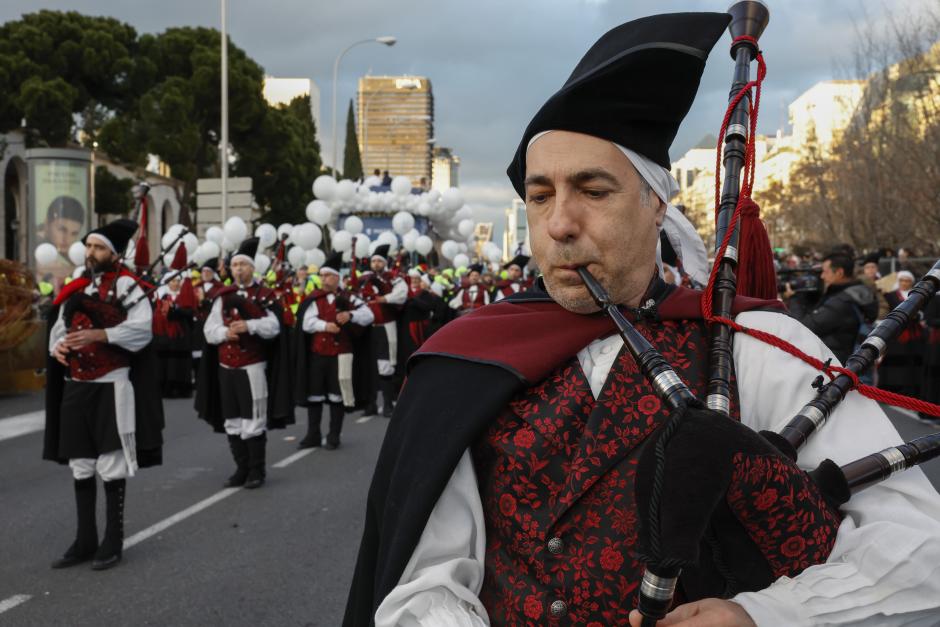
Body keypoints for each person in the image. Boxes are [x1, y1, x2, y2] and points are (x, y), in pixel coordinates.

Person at [345, 13, 940, 627]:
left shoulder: (758, 347)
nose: (559, 224)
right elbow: (427, 583)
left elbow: (919, 543)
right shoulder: (469, 362)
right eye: (540, 195)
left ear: (657, 203)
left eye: (593, 191)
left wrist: (761, 614)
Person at [43, 218, 164, 571]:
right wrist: (59, 349)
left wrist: (101, 336)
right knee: (81, 465)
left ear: (114, 253)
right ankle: (85, 539)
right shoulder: (77, 287)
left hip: (112, 384)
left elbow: (142, 331)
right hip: (76, 386)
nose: (91, 253)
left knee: (110, 464)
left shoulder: (128, 286)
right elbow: (60, 328)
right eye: (89, 247)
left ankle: (113, 540)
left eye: (98, 247)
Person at [197, 237, 293, 489]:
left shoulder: (264, 295)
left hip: (253, 366)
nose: (238, 269)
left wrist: (249, 325)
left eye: (243, 265)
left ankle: (256, 471)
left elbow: (273, 327)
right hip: (226, 367)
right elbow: (209, 329)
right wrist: (224, 333)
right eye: (235, 265)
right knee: (233, 420)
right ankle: (240, 468)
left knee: (253, 420)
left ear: (252, 268)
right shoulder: (223, 296)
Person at [293, 252, 374, 449]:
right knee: (315, 395)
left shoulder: (350, 298)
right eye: (321, 276)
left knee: (337, 395)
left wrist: (350, 315)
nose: (323, 279)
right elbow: (306, 323)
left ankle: (333, 435)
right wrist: (324, 326)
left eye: (327, 276)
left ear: (337, 277)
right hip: (318, 354)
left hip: (341, 354)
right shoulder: (313, 298)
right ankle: (313, 434)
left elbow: (368, 315)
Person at [786, 251, 878, 366]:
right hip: (845, 361)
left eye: (825, 271)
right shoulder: (857, 292)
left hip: (835, 366)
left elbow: (804, 327)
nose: (822, 276)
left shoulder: (841, 303)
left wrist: (795, 298)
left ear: (839, 273)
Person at [354, 244, 408, 417]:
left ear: (384, 263)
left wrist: (384, 298)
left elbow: (402, 293)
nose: (376, 264)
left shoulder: (392, 278)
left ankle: (387, 404)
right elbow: (353, 294)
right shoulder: (363, 278)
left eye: (379, 261)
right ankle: (370, 404)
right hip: (366, 327)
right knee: (368, 365)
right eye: (374, 261)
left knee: (386, 365)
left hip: (385, 326)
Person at [152, 247, 196, 398]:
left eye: (178, 281)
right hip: (164, 336)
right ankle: (165, 388)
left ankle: (181, 388)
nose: (176, 284)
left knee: (180, 365)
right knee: (165, 364)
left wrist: (176, 310)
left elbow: (189, 313)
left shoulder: (184, 296)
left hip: (181, 336)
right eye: (173, 281)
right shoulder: (162, 297)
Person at [879, 270, 925, 398]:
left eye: (907, 280)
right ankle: (892, 389)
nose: (904, 283)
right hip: (897, 333)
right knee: (895, 360)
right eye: (902, 280)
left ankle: (910, 389)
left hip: (914, 333)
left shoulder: (918, 295)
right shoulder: (891, 295)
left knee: (912, 361)